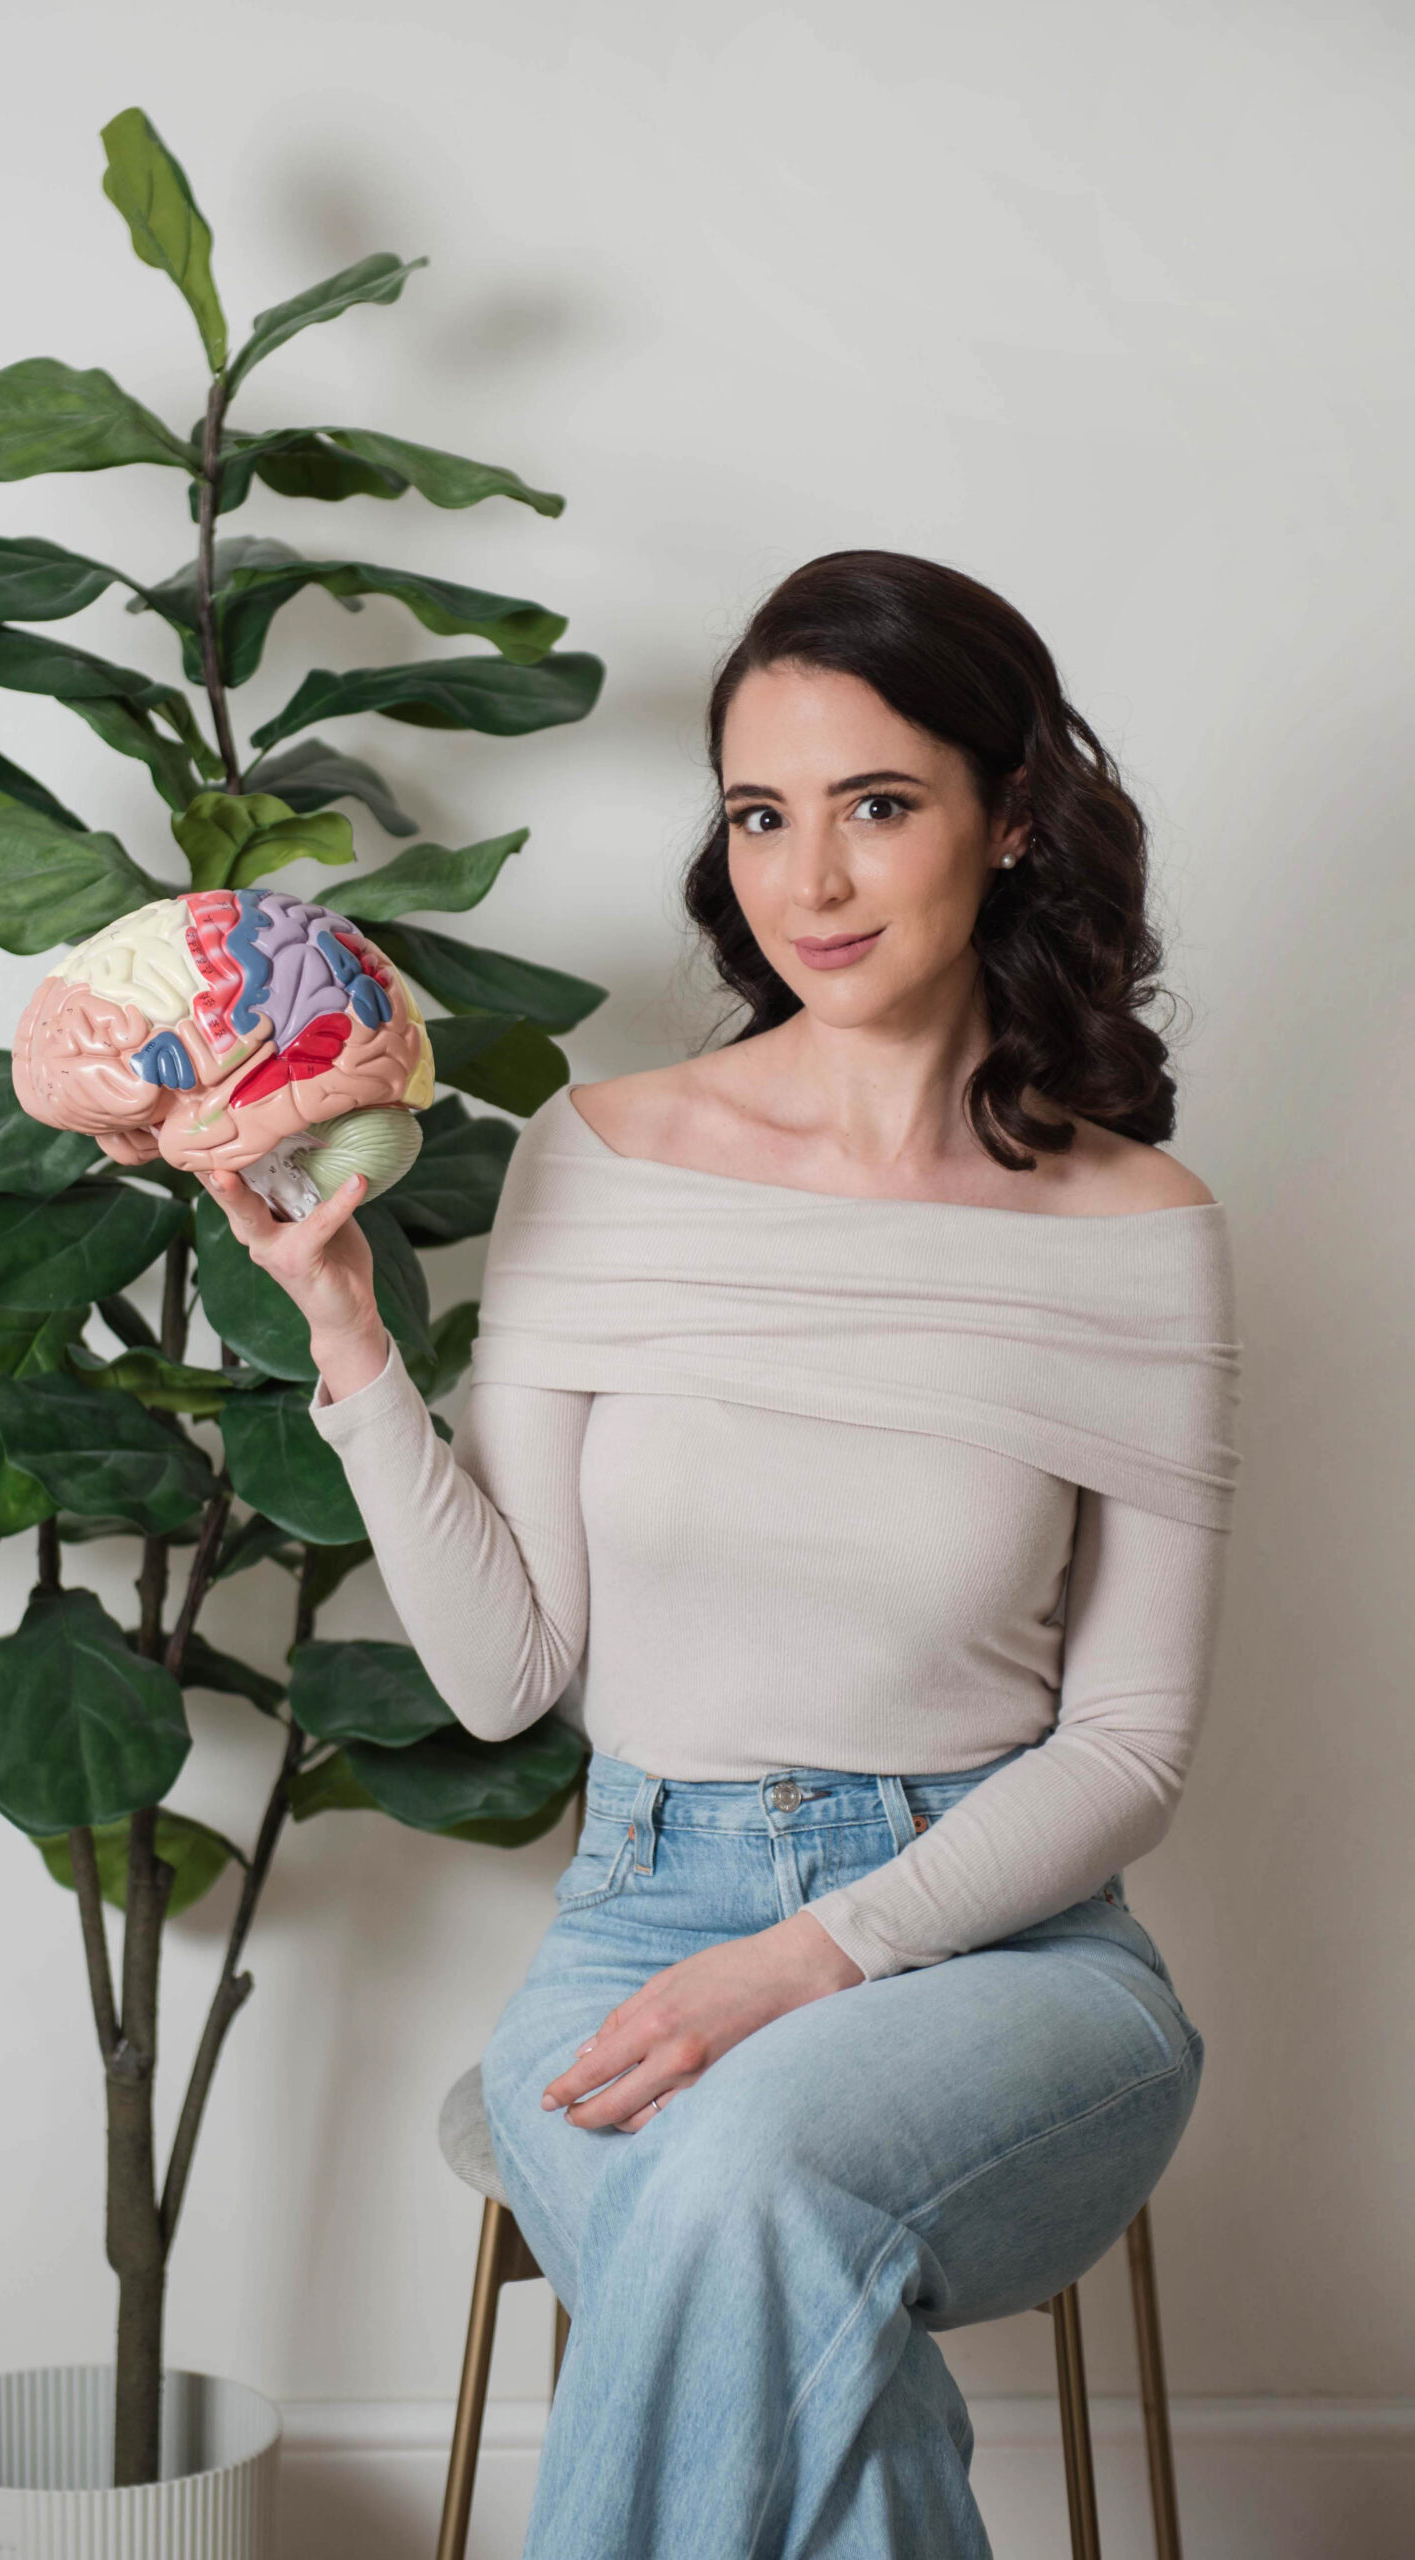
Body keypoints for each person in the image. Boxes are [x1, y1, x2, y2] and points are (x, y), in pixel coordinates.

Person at [201, 549, 1242, 2559]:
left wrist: (815, 1956)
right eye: (760, 814)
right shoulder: (605, 1164)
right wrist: (347, 1335)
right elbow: (505, 1675)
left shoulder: (1135, 1230)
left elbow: (1128, 1748)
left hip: (1008, 1957)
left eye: (878, 803)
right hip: (637, 1927)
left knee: (744, 2172)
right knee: (770, 2258)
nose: (809, 879)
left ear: (1011, 817)